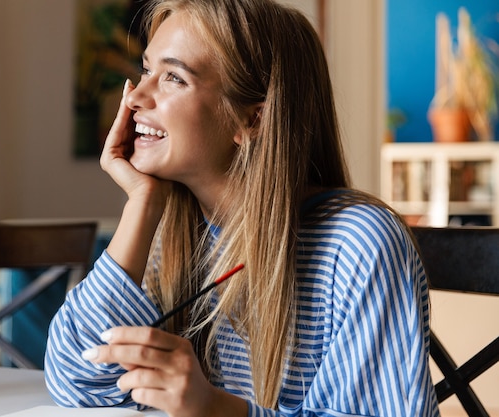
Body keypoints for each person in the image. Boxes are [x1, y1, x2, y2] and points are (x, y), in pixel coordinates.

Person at [45, 0, 440, 416]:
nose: (135, 97)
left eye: (174, 77)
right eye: (146, 70)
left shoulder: (357, 244)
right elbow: (76, 382)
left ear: (252, 121)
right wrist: (141, 205)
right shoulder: (174, 231)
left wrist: (217, 409)